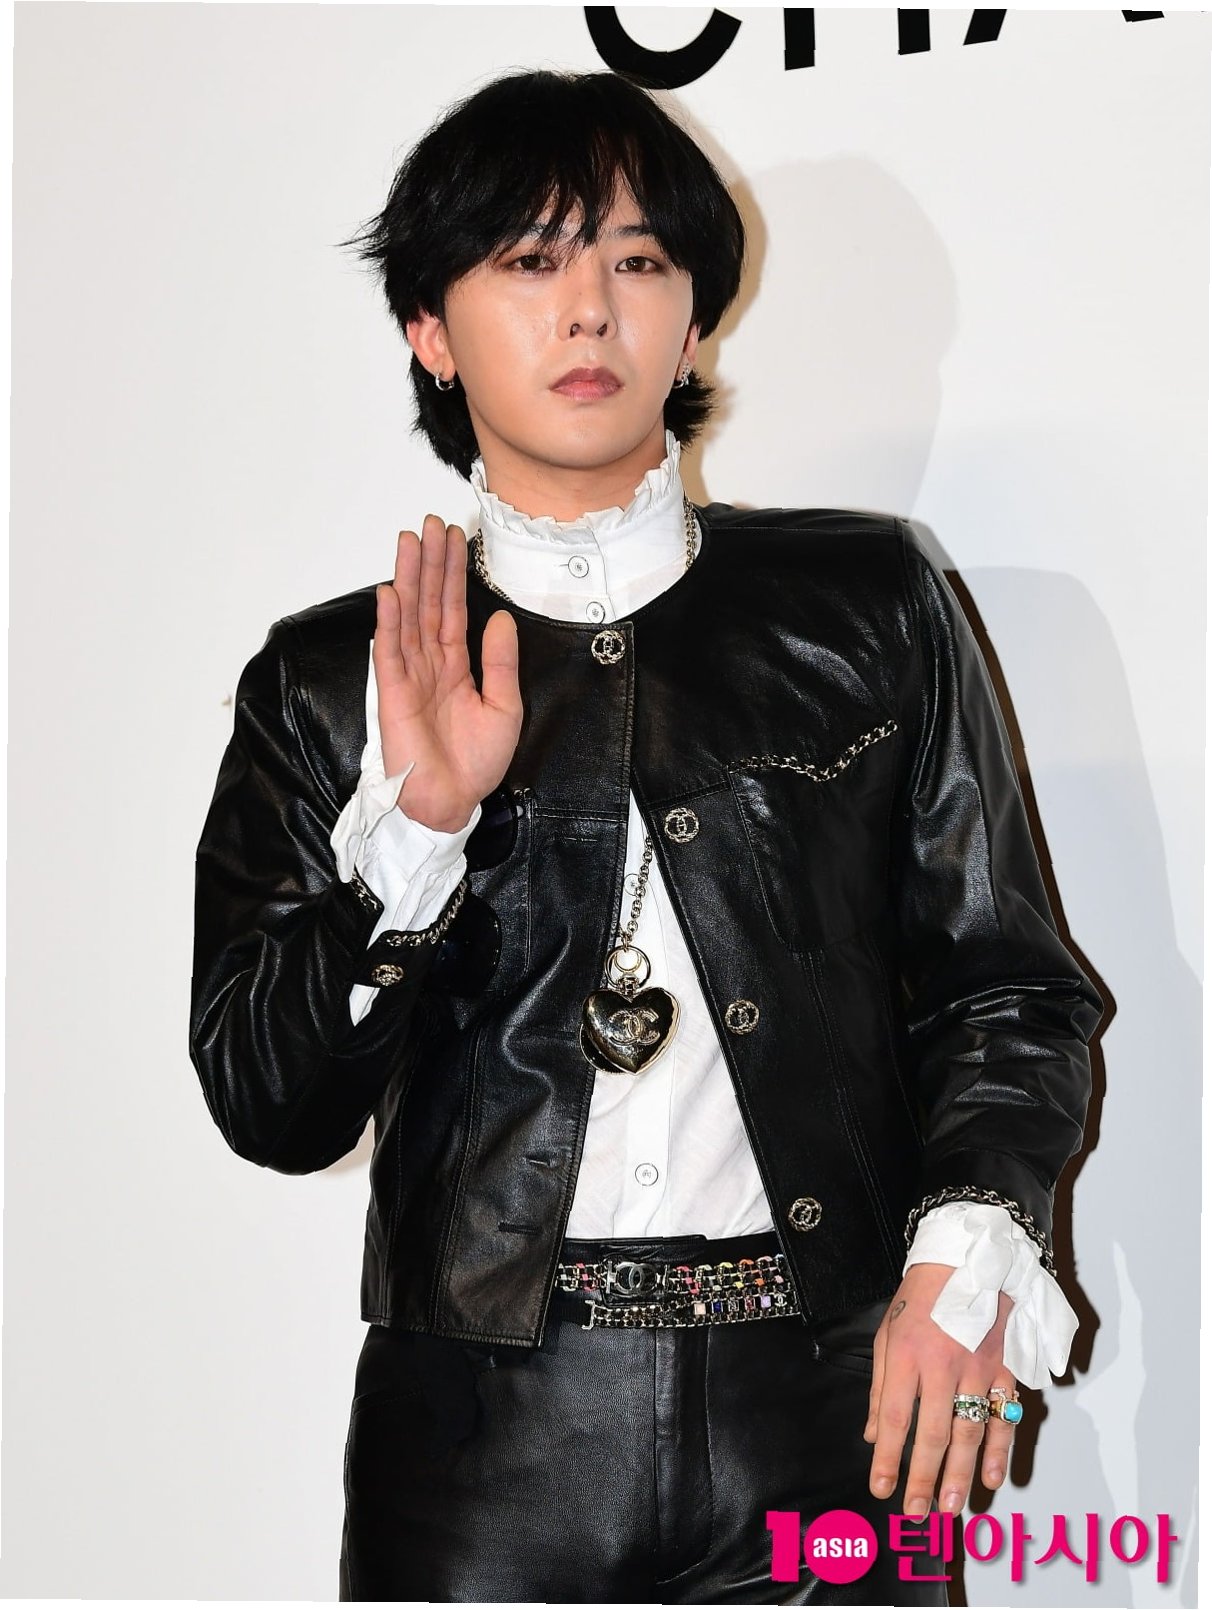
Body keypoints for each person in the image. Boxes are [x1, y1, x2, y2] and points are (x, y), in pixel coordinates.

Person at [188, 68, 1103, 1604]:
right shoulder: (335, 679)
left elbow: (1007, 988)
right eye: (529, 261)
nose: (589, 309)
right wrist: (416, 832)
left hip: (826, 1415)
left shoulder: (869, 603)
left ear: (691, 324)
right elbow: (270, 1100)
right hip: (481, 1450)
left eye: (637, 259)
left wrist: (966, 1252)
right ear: (430, 329)